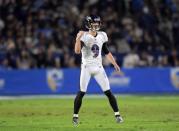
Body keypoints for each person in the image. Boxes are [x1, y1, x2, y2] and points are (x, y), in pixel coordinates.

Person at [73, 15, 123, 125]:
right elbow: (77, 51)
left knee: (108, 92)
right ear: (88, 25)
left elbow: (106, 51)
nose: (96, 26)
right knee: (81, 92)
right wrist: (77, 39)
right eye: (93, 24)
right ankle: (75, 117)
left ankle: (118, 115)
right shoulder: (84, 36)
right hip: (86, 68)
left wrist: (114, 63)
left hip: (99, 68)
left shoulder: (102, 35)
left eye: (97, 24)